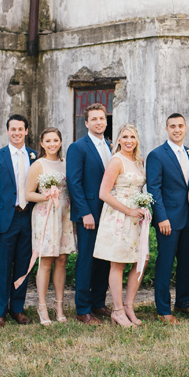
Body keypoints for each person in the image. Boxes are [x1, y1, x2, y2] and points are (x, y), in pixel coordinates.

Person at [95, 124, 151, 328]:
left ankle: (128, 306)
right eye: (125, 136)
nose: (129, 140)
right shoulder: (116, 161)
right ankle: (117, 311)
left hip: (137, 218)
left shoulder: (138, 161)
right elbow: (104, 193)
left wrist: (144, 207)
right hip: (119, 217)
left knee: (140, 261)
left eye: (133, 137)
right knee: (117, 264)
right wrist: (128, 211)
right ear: (118, 139)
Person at [0, 115, 36, 329]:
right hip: (6, 219)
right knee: (3, 267)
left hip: (28, 217)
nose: (16, 132)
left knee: (23, 266)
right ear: (7, 131)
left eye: (20, 129)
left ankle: (17, 308)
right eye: (12, 129)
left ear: (26, 131)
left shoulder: (34, 156)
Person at [146, 113, 189, 323]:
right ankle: (163, 308)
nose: (177, 129)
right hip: (167, 219)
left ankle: (183, 302)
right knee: (165, 263)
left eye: (180, 126)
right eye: (172, 126)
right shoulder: (157, 155)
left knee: (187, 262)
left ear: (186, 128)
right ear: (166, 129)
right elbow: (154, 188)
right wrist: (161, 218)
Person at [66, 103, 114, 326]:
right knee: (86, 261)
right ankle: (83, 309)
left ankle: (98, 302)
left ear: (106, 121)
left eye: (102, 118)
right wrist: (84, 212)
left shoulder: (112, 146)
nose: (98, 122)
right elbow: (74, 183)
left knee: (104, 259)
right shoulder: (78, 147)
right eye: (93, 119)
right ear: (86, 123)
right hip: (89, 214)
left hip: (109, 214)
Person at [24, 127, 74, 326]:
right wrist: (45, 196)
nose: (52, 144)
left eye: (56, 140)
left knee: (62, 259)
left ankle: (59, 305)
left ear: (60, 142)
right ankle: (42, 306)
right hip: (45, 214)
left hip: (64, 214)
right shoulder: (38, 165)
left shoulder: (65, 164)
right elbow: (28, 194)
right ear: (42, 143)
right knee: (46, 260)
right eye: (48, 141)